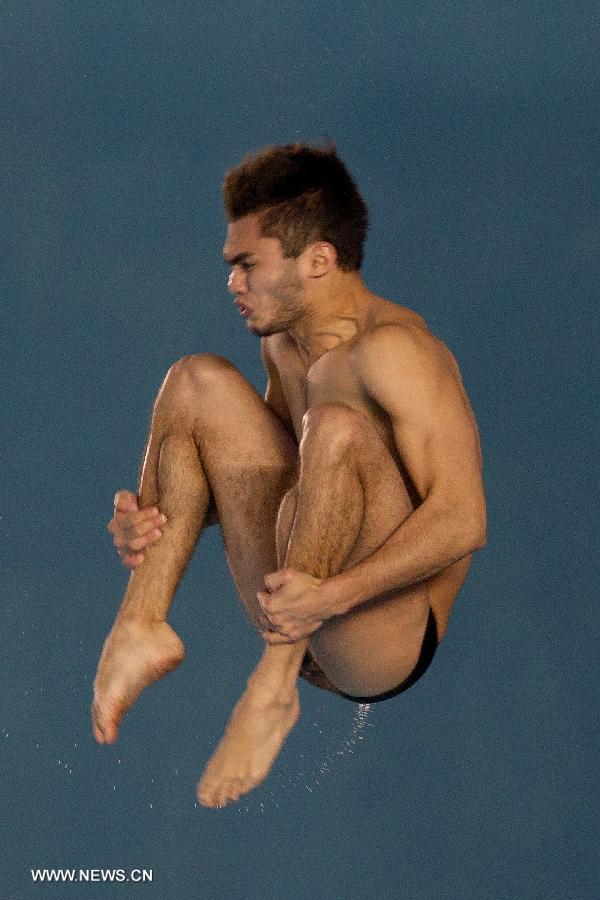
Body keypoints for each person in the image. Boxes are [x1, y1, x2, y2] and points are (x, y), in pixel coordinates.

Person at [91, 143, 486, 809]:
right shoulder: (285, 342)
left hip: (380, 635)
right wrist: (148, 520)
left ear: (319, 260)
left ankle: (272, 691)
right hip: (296, 602)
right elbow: (267, 486)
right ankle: (140, 625)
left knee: (335, 428)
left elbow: (464, 519)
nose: (232, 283)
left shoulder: (400, 352)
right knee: (195, 381)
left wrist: (334, 597)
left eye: (248, 265)